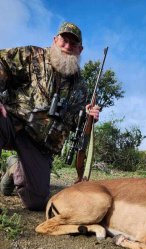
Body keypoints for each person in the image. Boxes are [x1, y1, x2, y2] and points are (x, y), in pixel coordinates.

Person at [0, 22, 100, 211]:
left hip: (39, 143)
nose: (67, 47)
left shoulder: (81, 87)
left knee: (37, 202)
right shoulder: (32, 55)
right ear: (55, 40)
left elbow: (75, 123)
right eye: (64, 40)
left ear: (80, 49)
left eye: (73, 44)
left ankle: (14, 168)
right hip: (12, 121)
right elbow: (1, 61)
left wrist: (88, 116)